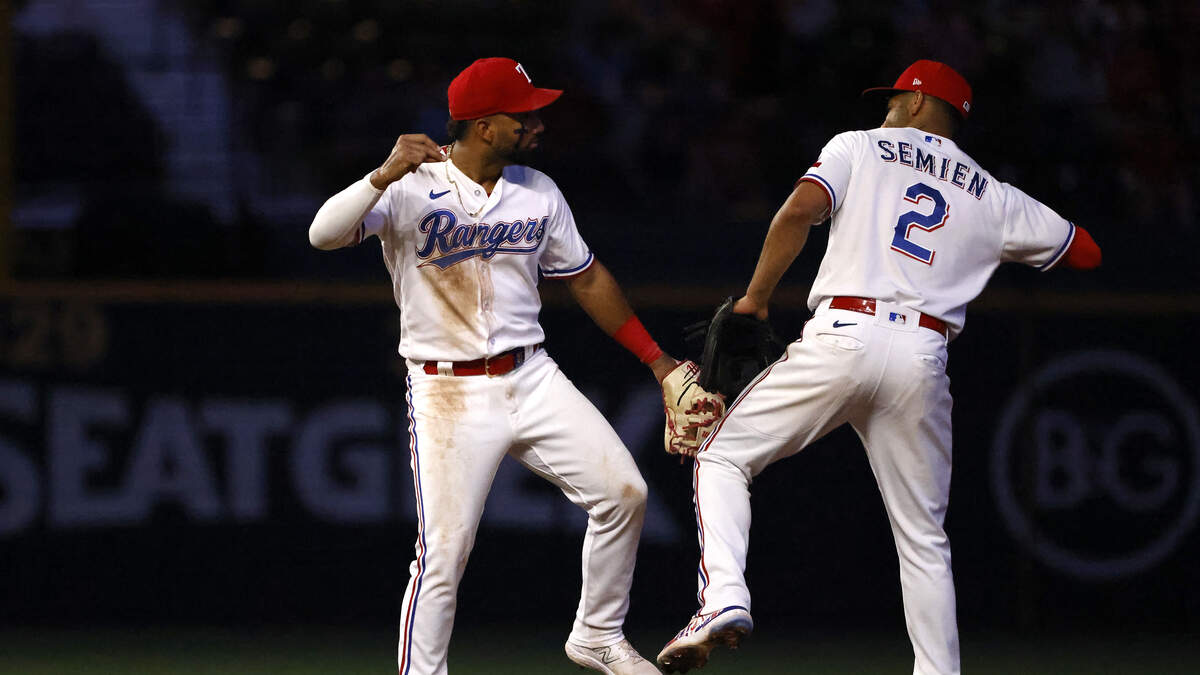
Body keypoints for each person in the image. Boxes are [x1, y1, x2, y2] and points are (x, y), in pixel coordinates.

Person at [656, 60, 1102, 675]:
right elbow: (1085, 251)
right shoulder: (993, 194)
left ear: (919, 102)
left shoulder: (858, 147)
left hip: (844, 334)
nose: (887, 106)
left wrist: (756, 298)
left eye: (894, 97)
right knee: (923, 538)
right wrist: (993, 233)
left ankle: (724, 599)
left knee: (723, 456)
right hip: (923, 355)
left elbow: (796, 212)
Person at [308, 57, 679, 675]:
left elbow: (586, 280)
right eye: (524, 115)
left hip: (530, 374)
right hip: (447, 391)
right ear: (484, 126)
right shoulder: (407, 187)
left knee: (625, 493)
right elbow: (322, 234)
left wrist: (659, 360)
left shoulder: (538, 190)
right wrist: (382, 173)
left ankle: (597, 634)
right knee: (444, 554)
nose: (537, 124)